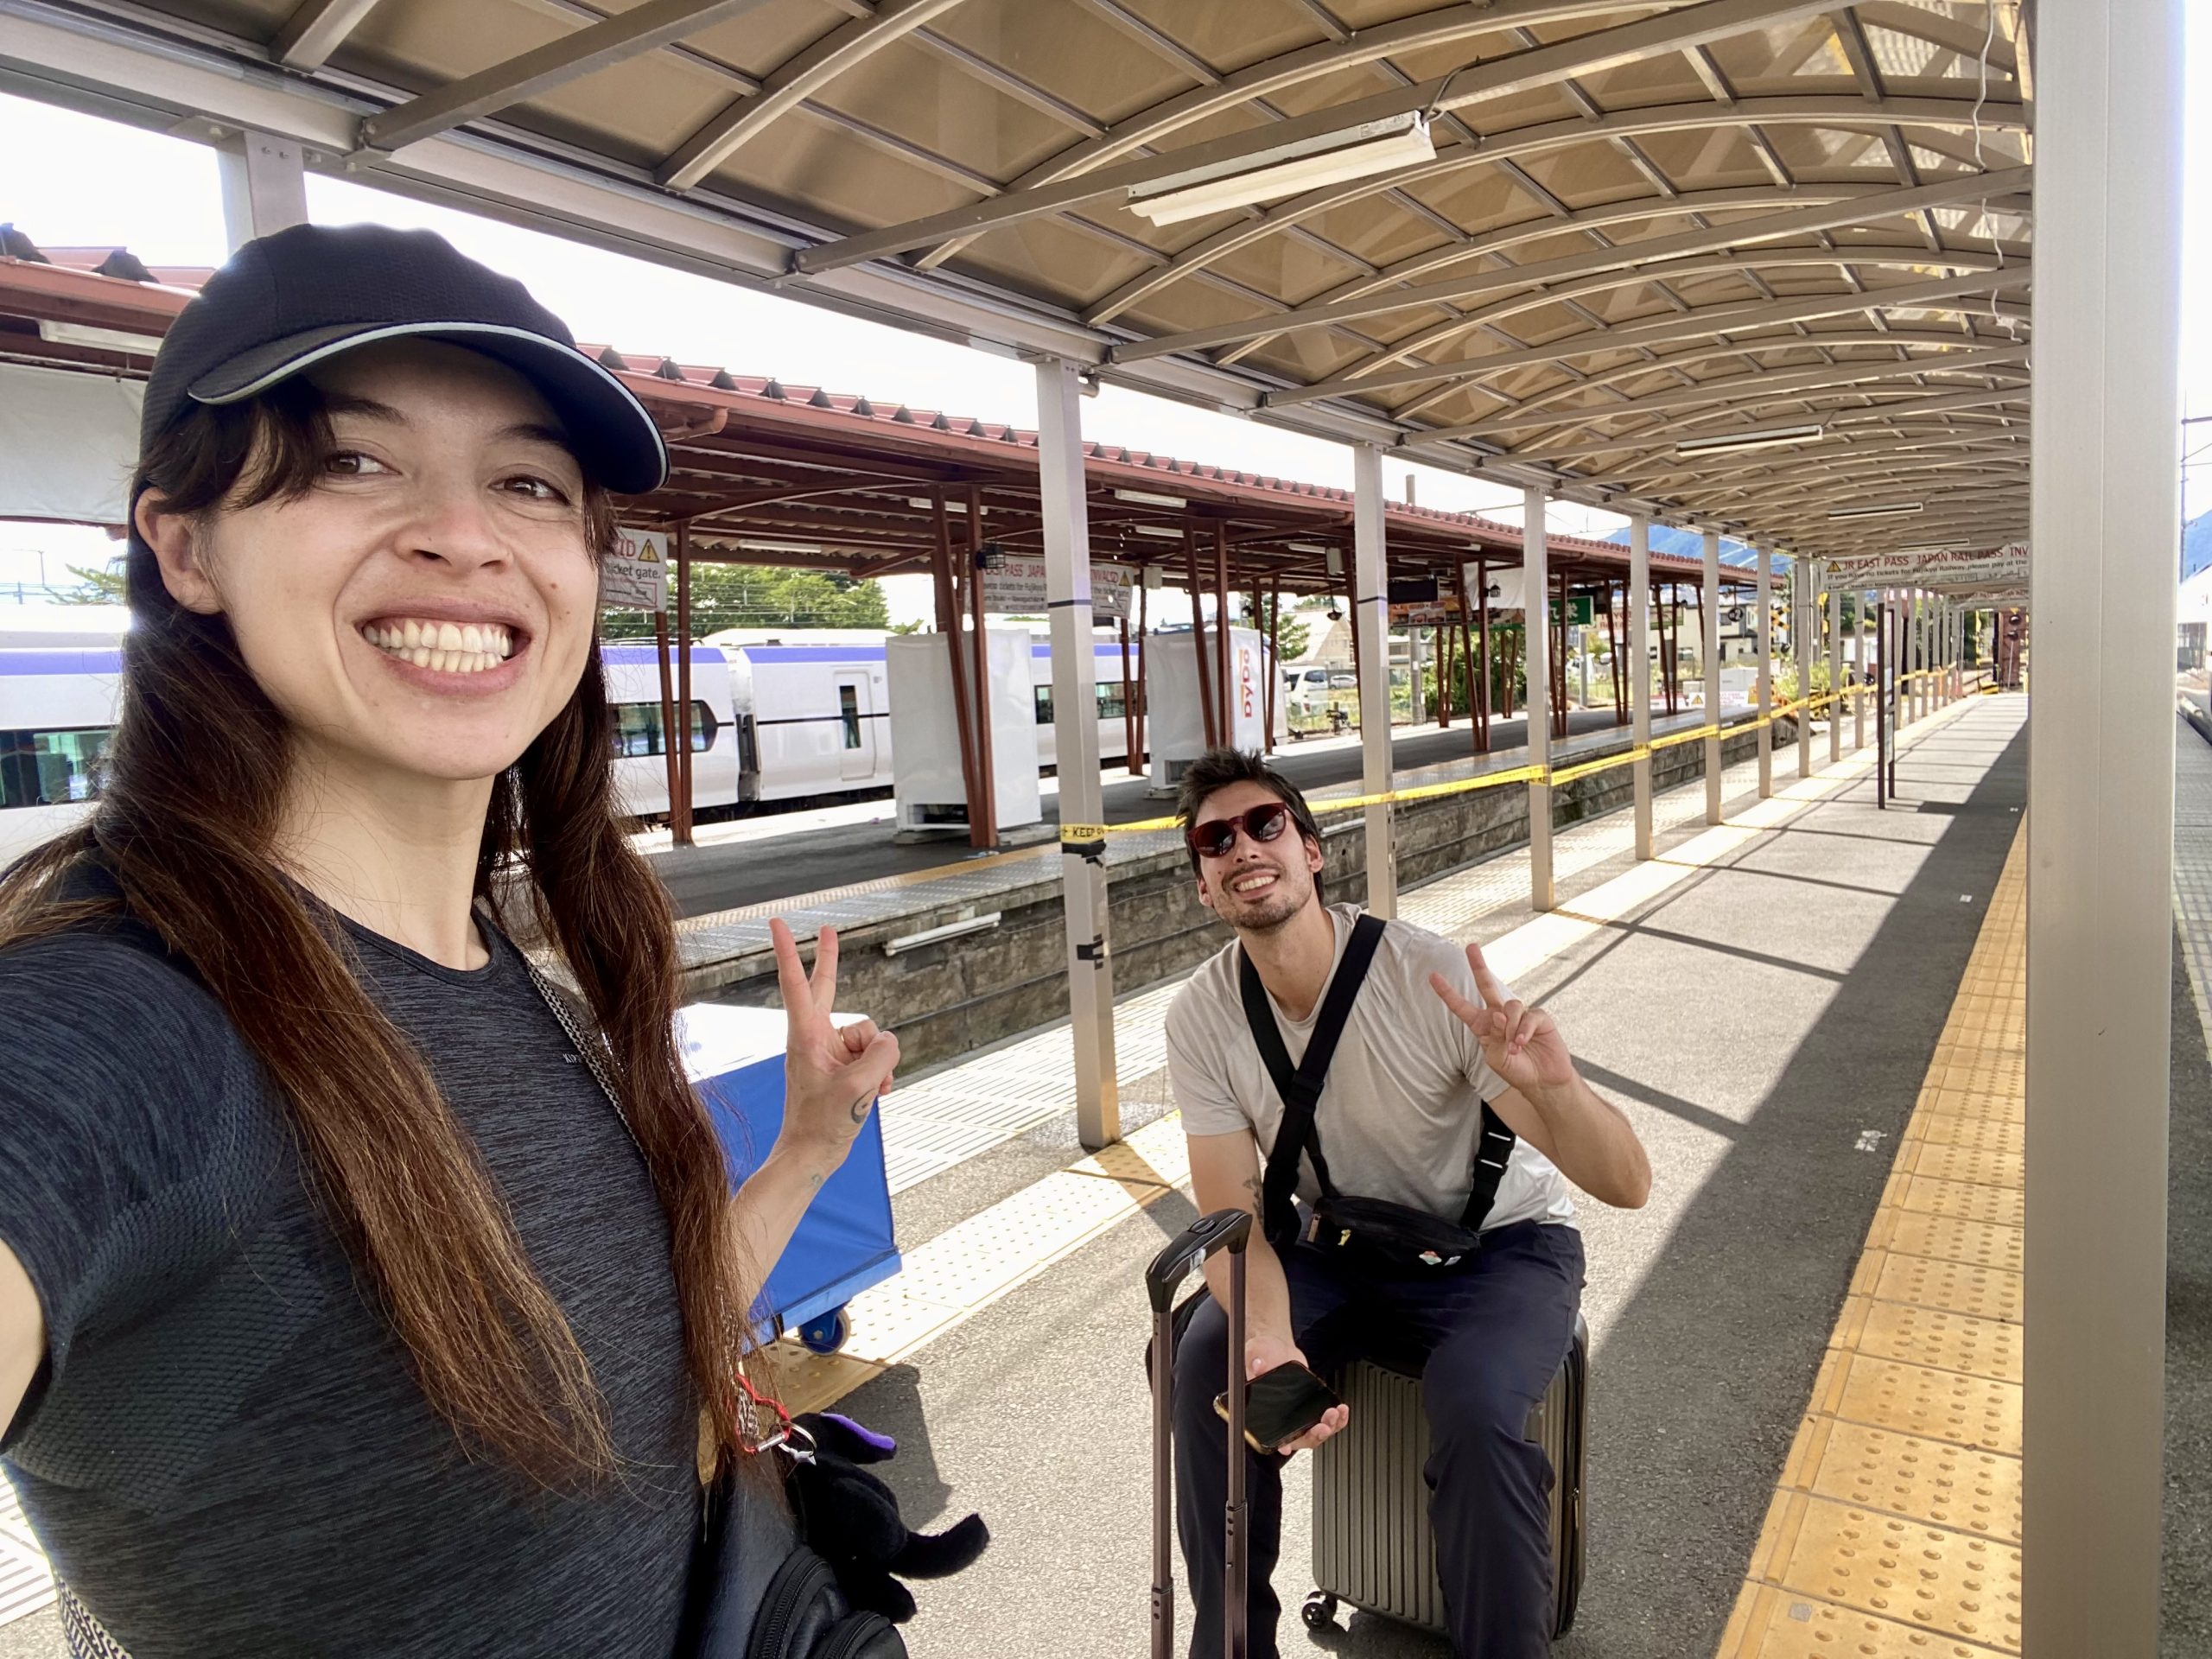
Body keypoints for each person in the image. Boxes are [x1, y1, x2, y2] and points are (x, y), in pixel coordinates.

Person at [0, 223, 901, 1657]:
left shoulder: (517, 987)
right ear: (184, 547)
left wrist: (804, 1146)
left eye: (529, 482)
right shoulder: (122, 1031)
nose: (464, 534)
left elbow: (637, 1374)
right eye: (354, 461)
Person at [1166, 748, 1651, 1659]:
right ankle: (1230, 1646)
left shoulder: (1428, 980)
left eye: (1266, 824)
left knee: (1473, 1402)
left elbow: (1625, 1184)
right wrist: (1266, 1342)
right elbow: (1234, 1220)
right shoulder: (1201, 1017)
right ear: (1201, 885)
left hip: (1499, 1249)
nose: (1242, 847)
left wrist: (1559, 1089)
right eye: (1214, 838)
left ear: (1311, 851)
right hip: (1341, 1245)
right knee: (1206, 1365)